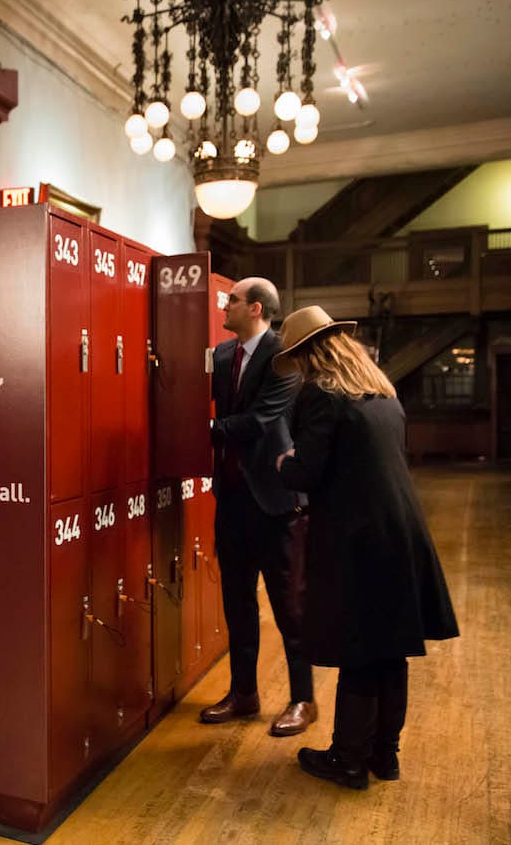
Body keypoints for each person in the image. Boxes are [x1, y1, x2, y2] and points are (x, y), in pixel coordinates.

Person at [273, 305, 459, 790]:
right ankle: (384, 754)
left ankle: (348, 759)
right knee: (389, 648)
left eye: (297, 358)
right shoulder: (383, 394)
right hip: (402, 533)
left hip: (358, 539)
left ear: (310, 353)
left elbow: (308, 471)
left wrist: (284, 462)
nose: (298, 369)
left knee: (359, 648)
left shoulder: (323, 395)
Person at [200, 276, 316, 738]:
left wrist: (203, 427)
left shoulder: (282, 357)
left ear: (255, 309)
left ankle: (303, 699)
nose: (222, 306)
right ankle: (244, 693)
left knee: (289, 607)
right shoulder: (224, 355)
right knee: (237, 602)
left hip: (274, 501)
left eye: (231, 300)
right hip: (230, 499)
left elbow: (260, 420)